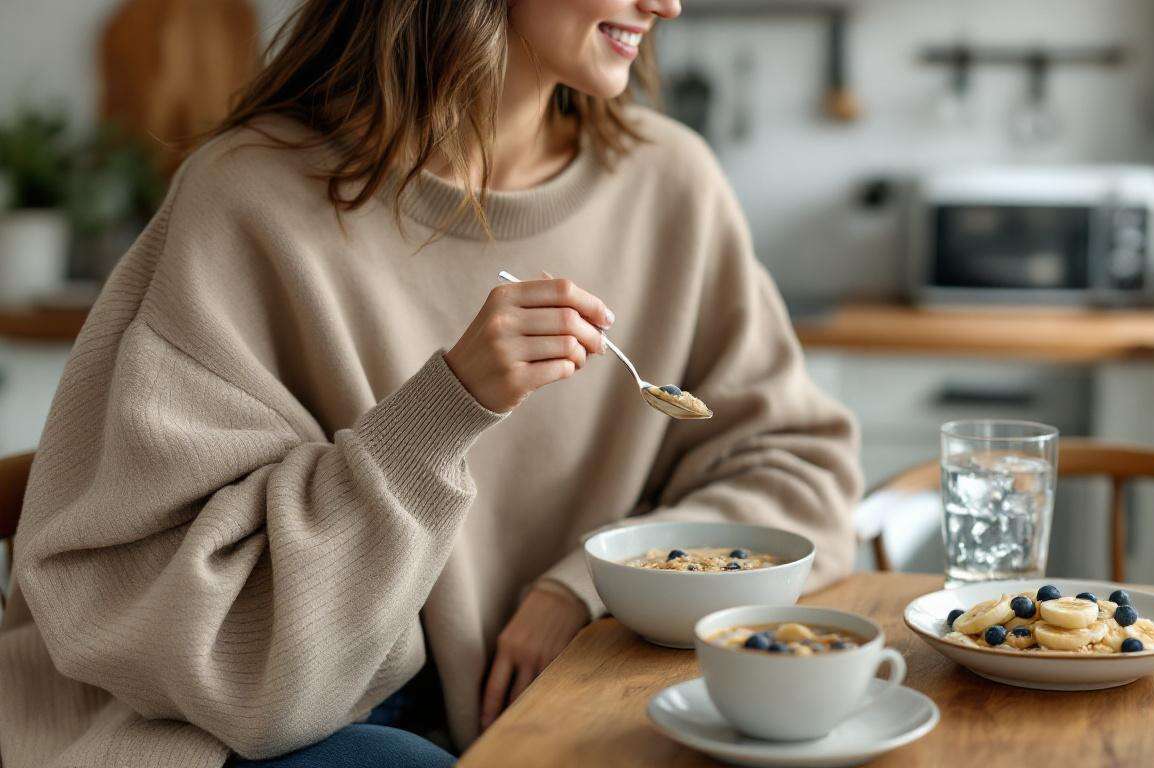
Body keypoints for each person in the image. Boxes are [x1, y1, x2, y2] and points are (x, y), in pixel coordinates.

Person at [0, 1, 862, 766]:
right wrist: (446, 408)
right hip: (251, 722)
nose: (667, 5)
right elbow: (196, 637)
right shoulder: (249, 196)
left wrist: (587, 586)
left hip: (553, 695)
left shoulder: (672, 183)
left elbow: (800, 470)